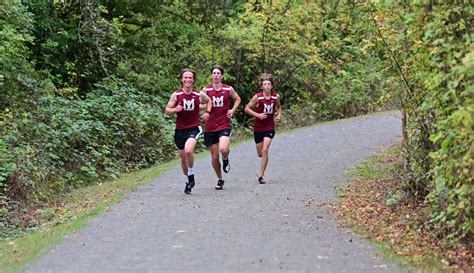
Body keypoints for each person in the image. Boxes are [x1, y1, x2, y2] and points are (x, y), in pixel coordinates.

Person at [165, 68, 211, 194]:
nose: (188, 80)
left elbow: (209, 101)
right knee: (183, 158)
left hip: (194, 127)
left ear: (194, 80)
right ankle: (188, 180)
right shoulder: (176, 95)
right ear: (181, 79)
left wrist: (208, 112)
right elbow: (167, 110)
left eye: (190, 77)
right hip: (180, 130)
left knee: (188, 150)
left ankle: (191, 175)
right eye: (185, 77)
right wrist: (175, 110)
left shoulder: (198, 94)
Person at [202, 65, 241, 190]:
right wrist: (206, 111)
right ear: (211, 75)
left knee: (223, 149)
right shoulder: (206, 90)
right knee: (214, 157)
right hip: (210, 126)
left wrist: (233, 110)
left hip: (224, 124)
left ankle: (225, 158)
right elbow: (197, 103)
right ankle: (220, 179)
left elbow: (237, 99)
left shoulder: (228, 89)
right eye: (214, 73)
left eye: (218, 73)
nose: (216, 75)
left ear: (222, 76)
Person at [244, 73, 281, 184]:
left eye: (269, 84)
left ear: (272, 86)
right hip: (258, 127)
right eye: (264, 84)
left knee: (265, 150)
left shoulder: (276, 97)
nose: (267, 86)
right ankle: (262, 168)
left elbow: (278, 107)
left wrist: (279, 114)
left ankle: (261, 175)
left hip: (269, 127)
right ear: (262, 86)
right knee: (260, 153)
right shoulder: (258, 97)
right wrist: (258, 115)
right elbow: (247, 108)